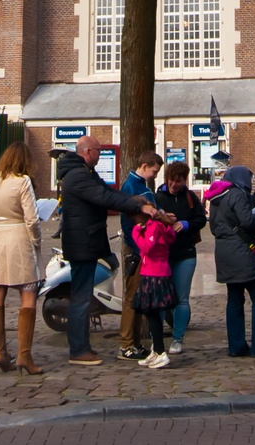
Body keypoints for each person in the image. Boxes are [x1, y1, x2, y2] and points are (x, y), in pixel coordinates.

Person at [53, 134, 161, 366]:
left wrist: (136, 202)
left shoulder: (86, 173)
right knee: (81, 298)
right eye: (99, 151)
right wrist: (137, 204)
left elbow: (111, 192)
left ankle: (82, 347)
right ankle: (78, 350)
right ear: (87, 152)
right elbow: (103, 198)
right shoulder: (78, 176)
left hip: (88, 242)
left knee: (84, 296)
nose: (101, 155)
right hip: (82, 244)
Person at [0, 140, 43, 375]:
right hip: (19, 240)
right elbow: (32, 219)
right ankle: (24, 355)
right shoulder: (23, 181)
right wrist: (36, 241)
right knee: (27, 296)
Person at [209, 163, 255, 358]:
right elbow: (246, 221)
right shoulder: (237, 194)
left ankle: (236, 345)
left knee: (235, 300)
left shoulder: (216, 197)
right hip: (242, 254)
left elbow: (213, 228)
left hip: (224, 253)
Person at [152, 160, 207, 354]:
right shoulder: (157, 197)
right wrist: (163, 219)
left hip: (185, 253)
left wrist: (186, 224)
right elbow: (148, 221)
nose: (175, 184)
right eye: (172, 180)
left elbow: (201, 219)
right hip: (163, 254)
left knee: (181, 299)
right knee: (160, 299)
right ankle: (156, 339)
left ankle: (178, 338)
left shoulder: (190, 197)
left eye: (179, 181)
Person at [116, 151, 162, 361]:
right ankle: (126, 343)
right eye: (154, 171)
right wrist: (139, 246)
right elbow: (128, 223)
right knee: (132, 297)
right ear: (144, 166)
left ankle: (133, 342)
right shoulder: (132, 187)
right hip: (138, 249)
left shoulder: (138, 185)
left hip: (140, 247)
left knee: (137, 297)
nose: (154, 175)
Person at [128, 196, 180, 369]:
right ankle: (155, 351)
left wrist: (136, 232)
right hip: (154, 273)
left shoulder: (154, 227)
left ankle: (160, 352)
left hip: (154, 275)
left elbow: (147, 248)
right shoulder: (156, 226)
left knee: (152, 313)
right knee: (152, 314)